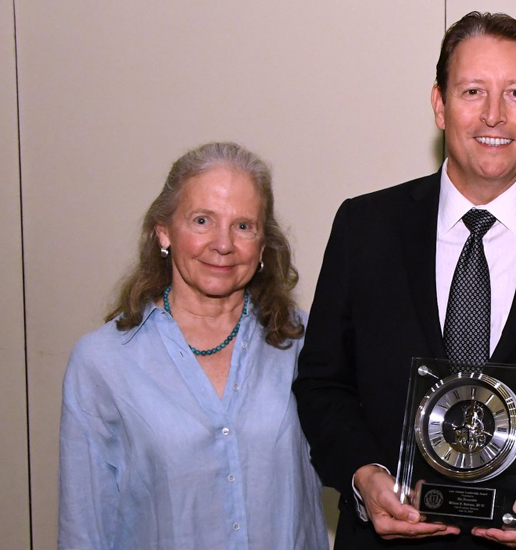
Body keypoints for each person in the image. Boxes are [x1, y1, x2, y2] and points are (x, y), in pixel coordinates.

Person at [292, 11, 516, 550]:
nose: (493, 115)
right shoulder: (364, 229)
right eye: (472, 92)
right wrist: (362, 476)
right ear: (439, 104)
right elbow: (323, 384)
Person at [57, 142, 328, 550]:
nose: (223, 244)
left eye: (243, 226)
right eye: (202, 220)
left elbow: (353, 461)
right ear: (164, 231)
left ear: (262, 245)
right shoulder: (103, 361)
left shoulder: (303, 344)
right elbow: (84, 526)